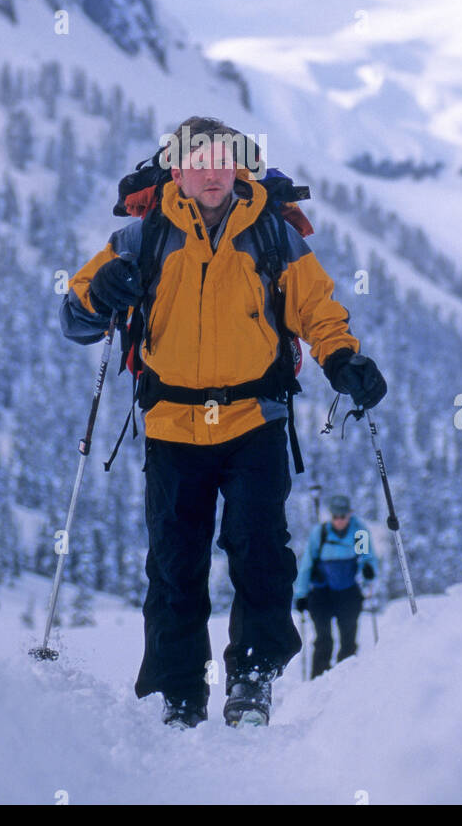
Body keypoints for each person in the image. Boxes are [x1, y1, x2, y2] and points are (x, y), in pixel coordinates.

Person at [59, 115, 387, 728]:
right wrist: (101, 292)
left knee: (260, 551)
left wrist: (342, 359)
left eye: (221, 159)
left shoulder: (271, 234)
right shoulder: (141, 239)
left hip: (252, 418)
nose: (210, 172)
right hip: (171, 424)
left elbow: (316, 308)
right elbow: (75, 318)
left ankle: (253, 680)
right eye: (196, 160)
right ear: (175, 169)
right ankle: (176, 693)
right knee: (175, 563)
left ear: (238, 166)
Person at [294, 493, 378, 679]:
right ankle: (317, 681)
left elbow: (366, 558)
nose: (339, 520)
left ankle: (346, 680)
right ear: (331, 516)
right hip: (322, 593)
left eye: (343, 516)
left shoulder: (358, 532)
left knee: (348, 638)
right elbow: (307, 564)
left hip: (348, 593)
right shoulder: (321, 533)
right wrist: (301, 595)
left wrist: (368, 571)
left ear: (350, 514)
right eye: (335, 516)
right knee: (323, 639)